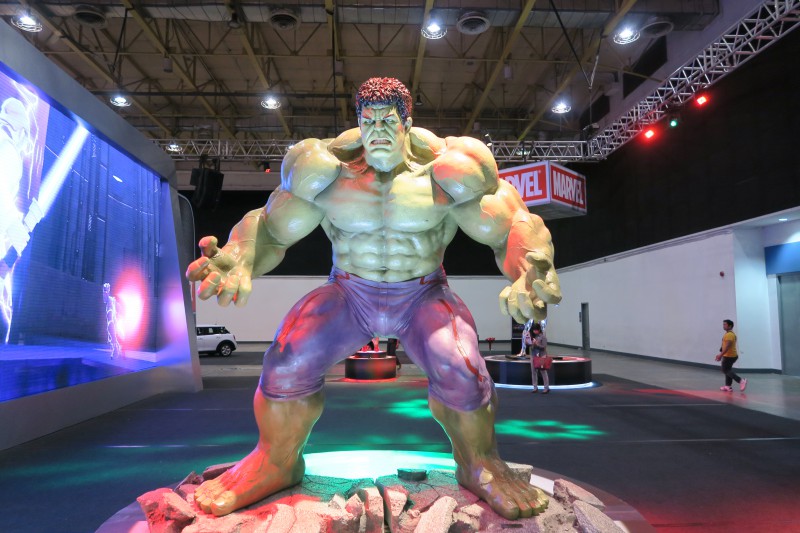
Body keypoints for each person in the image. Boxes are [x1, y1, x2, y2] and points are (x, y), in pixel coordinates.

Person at [186, 77, 562, 520]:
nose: (377, 131)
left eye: (387, 122)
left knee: (461, 368)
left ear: (407, 123)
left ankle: (480, 464)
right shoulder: (324, 169)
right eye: (369, 122)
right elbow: (269, 228)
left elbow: (511, 225)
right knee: (286, 361)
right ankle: (275, 462)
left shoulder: (450, 168)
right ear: (358, 122)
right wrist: (238, 255)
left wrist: (527, 269)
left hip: (422, 292)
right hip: (350, 292)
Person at [715, 319, 746, 392]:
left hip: (729, 356)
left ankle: (741, 381)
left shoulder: (729, 335)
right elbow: (724, 346)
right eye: (723, 324)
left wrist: (720, 355)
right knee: (727, 370)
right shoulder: (729, 334)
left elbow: (727, 347)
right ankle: (728, 386)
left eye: (725, 324)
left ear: (730, 326)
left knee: (725, 369)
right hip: (730, 355)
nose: (723, 326)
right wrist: (721, 354)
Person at [529, 323, 550, 394]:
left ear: (539, 330)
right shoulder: (532, 336)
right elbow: (531, 347)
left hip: (541, 355)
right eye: (533, 330)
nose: (534, 331)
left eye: (536, 330)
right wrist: (529, 343)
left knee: (543, 371)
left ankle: (546, 388)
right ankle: (535, 387)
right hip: (533, 355)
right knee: (533, 371)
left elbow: (544, 347)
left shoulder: (543, 337)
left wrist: (537, 344)